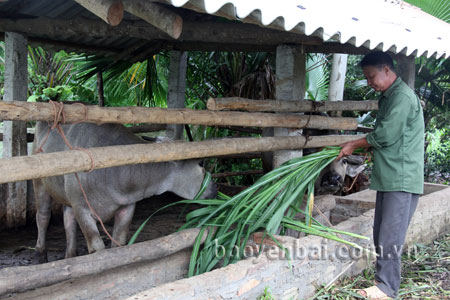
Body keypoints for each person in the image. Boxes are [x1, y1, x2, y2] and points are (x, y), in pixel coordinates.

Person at [337, 51, 424, 300]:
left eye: (372, 76)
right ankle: (381, 282)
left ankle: (387, 288)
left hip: (402, 176)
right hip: (391, 175)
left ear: (387, 70)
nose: (369, 82)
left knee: (390, 235)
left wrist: (354, 144)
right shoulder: (389, 97)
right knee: (381, 233)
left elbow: (385, 135)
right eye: (366, 77)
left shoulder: (402, 98)